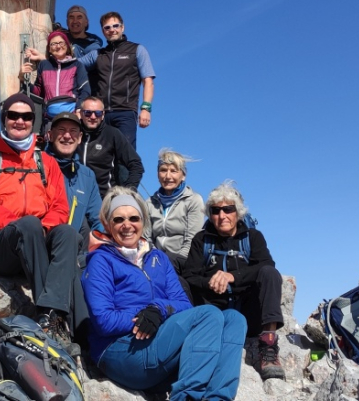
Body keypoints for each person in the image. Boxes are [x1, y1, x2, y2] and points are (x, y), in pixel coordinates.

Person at [83, 188, 245, 400]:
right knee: (208, 314)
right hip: (121, 351)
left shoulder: (157, 257)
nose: (127, 225)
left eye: (134, 218)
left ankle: (217, 398)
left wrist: (158, 309)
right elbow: (104, 320)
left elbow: (183, 304)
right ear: (107, 224)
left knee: (234, 319)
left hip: (157, 345)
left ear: (143, 221)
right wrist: (142, 315)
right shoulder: (101, 261)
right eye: (118, 219)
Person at [0, 92, 78, 345]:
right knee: (28, 224)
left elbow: (60, 207)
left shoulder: (46, 161)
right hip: (0, 247)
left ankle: (51, 316)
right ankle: (47, 317)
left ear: (34, 121)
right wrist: (19, 224)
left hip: (36, 241)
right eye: (13, 115)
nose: (20, 121)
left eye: (26, 116)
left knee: (69, 233)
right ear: (4, 118)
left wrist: (44, 227)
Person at [182, 181, 286, 380]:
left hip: (248, 312)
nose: (222, 216)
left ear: (237, 212)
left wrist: (233, 277)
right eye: (215, 210)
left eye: (228, 209)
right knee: (180, 281)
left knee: (270, 274)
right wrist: (210, 281)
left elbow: (266, 265)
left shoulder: (252, 237)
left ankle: (269, 347)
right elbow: (189, 276)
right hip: (214, 311)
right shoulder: (201, 240)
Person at [88, 11, 155, 150]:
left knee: (125, 156)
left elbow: (148, 81)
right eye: (107, 27)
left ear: (122, 27)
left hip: (125, 112)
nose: (112, 30)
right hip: (101, 114)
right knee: (99, 157)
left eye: (115, 26)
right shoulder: (98, 54)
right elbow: (72, 64)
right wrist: (44, 59)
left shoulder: (137, 50)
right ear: (103, 31)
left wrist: (146, 109)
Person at [147, 149, 206, 272]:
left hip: (183, 262)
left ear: (183, 175)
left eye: (174, 171)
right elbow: (146, 238)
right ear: (158, 174)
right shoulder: (149, 203)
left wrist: (175, 262)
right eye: (163, 170)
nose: (168, 176)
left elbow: (192, 240)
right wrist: (153, 258)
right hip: (155, 260)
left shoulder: (194, 200)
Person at [45, 112, 102, 237]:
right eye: (61, 130)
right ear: (50, 135)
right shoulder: (36, 166)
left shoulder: (87, 176)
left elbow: (98, 219)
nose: (67, 136)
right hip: (39, 249)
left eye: (73, 131)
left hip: (74, 252)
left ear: (80, 137)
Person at [20, 30, 89, 131]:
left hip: (72, 114)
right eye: (53, 44)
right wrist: (22, 78)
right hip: (49, 118)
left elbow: (85, 90)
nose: (58, 46)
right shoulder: (44, 65)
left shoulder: (77, 65)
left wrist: (79, 109)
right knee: (50, 145)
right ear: (49, 49)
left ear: (67, 46)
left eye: (61, 42)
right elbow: (38, 92)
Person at [76, 97, 144, 197]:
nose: (93, 117)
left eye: (98, 113)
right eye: (88, 113)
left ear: (103, 115)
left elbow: (136, 165)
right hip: (76, 197)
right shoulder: (73, 133)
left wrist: (128, 192)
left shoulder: (112, 134)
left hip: (104, 199)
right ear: (81, 114)